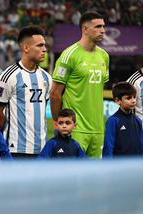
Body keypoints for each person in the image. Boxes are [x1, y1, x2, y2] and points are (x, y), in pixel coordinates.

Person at [50, 11, 109, 158]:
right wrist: (58, 123)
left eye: (103, 26)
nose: (103, 30)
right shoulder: (69, 55)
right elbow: (55, 93)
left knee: (94, 177)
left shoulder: (104, 56)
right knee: (73, 175)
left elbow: (98, 90)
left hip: (98, 129)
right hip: (75, 128)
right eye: (98, 26)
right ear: (85, 29)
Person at [0, 26, 51, 159]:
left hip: (42, 148)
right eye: (40, 45)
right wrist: (5, 137)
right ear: (26, 48)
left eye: (45, 45)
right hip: (16, 149)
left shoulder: (46, 78)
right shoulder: (8, 76)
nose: (44, 49)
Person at [103, 82, 143, 158]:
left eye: (134, 97)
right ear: (118, 100)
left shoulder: (138, 121)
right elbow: (108, 147)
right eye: (128, 98)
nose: (133, 101)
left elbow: (142, 147)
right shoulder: (113, 121)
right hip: (119, 167)